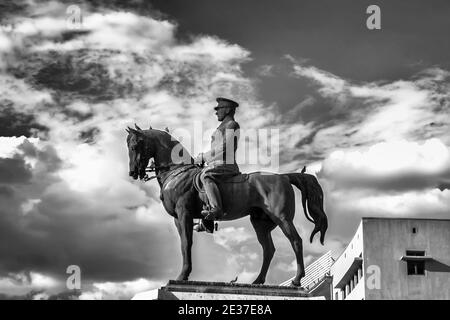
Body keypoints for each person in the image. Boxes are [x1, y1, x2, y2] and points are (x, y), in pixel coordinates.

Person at [195, 97, 241, 221]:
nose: (216, 112)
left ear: (227, 110)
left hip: (227, 164)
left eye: (218, 109)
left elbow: (225, 147)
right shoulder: (222, 126)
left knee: (206, 176)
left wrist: (204, 156)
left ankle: (216, 209)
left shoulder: (232, 124)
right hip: (216, 163)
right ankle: (204, 220)